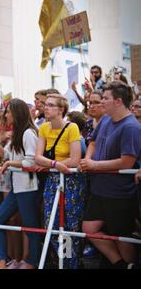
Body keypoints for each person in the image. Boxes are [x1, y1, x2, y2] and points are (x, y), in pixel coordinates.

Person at [80, 81, 141, 269]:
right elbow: (93, 142)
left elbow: (127, 162)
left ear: (118, 101)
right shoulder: (105, 119)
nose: (101, 102)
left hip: (119, 191)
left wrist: (94, 165)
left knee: (121, 234)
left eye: (105, 98)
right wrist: (87, 161)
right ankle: (121, 265)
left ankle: (129, 264)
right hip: (99, 187)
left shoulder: (131, 127)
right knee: (89, 229)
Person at [35, 94, 87, 269]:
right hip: (54, 177)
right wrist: (55, 164)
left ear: (60, 109)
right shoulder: (43, 128)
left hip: (72, 180)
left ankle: (72, 263)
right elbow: (37, 157)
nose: (46, 107)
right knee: (51, 222)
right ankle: (63, 261)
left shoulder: (72, 127)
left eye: (50, 105)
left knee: (71, 225)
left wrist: (51, 165)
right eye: (46, 105)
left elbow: (75, 159)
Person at [0, 99, 41, 269]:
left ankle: (32, 263)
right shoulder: (18, 133)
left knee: (31, 228)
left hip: (28, 188)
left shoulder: (28, 133)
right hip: (18, 188)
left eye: (8, 112)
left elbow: (32, 162)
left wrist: (9, 164)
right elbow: (5, 155)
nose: (6, 115)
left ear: (17, 113)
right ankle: (2, 260)